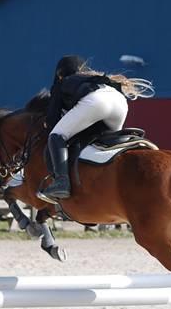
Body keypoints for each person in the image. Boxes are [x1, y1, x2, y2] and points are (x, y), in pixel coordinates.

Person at [39, 55, 153, 201]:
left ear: (60, 73)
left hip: (96, 102)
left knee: (56, 135)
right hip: (120, 102)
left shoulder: (62, 82)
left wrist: (50, 130)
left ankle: (62, 182)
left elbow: (52, 119)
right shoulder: (91, 77)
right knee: (107, 146)